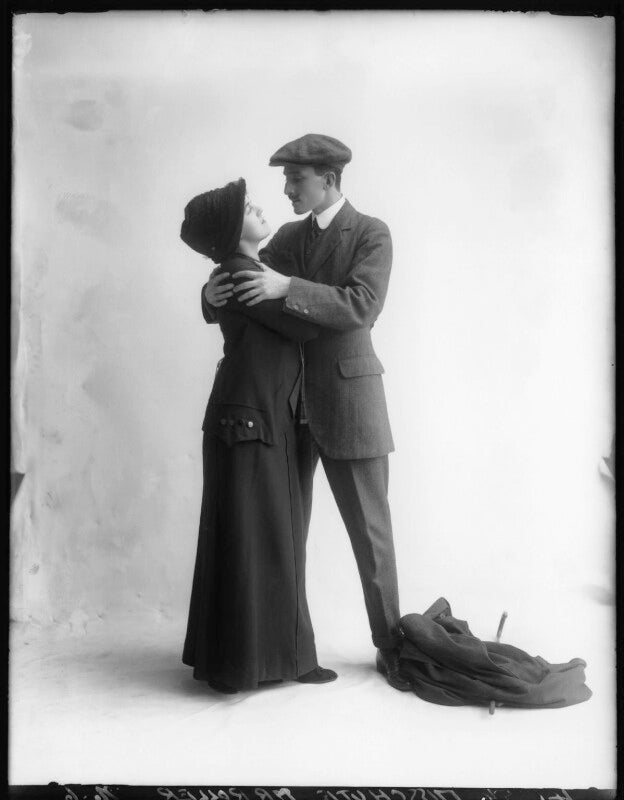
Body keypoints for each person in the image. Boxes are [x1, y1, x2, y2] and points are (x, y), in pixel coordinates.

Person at [202, 135, 411, 691]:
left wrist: (288, 286)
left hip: (351, 405)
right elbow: (241, 271)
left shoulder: (371, 233)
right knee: (285, 534)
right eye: (286, 180)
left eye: (296, 180)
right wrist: (209, 294)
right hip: (287, 410)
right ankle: (285, 651)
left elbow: (362, 306)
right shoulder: (289, 237)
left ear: (329, 180)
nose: (288, 190)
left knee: (371, 536)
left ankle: (391, 646)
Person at [180, 177, 337, 693]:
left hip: (251, 416)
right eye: (248, 208)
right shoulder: (243, 273)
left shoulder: (243, 268)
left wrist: (279, 284)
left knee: (254, 535)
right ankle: (271, 662)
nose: (261, 209)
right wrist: (289, 288)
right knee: (262, 535)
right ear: (232, 230)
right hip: (253, 420)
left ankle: (243, 662)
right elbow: (307, 328)